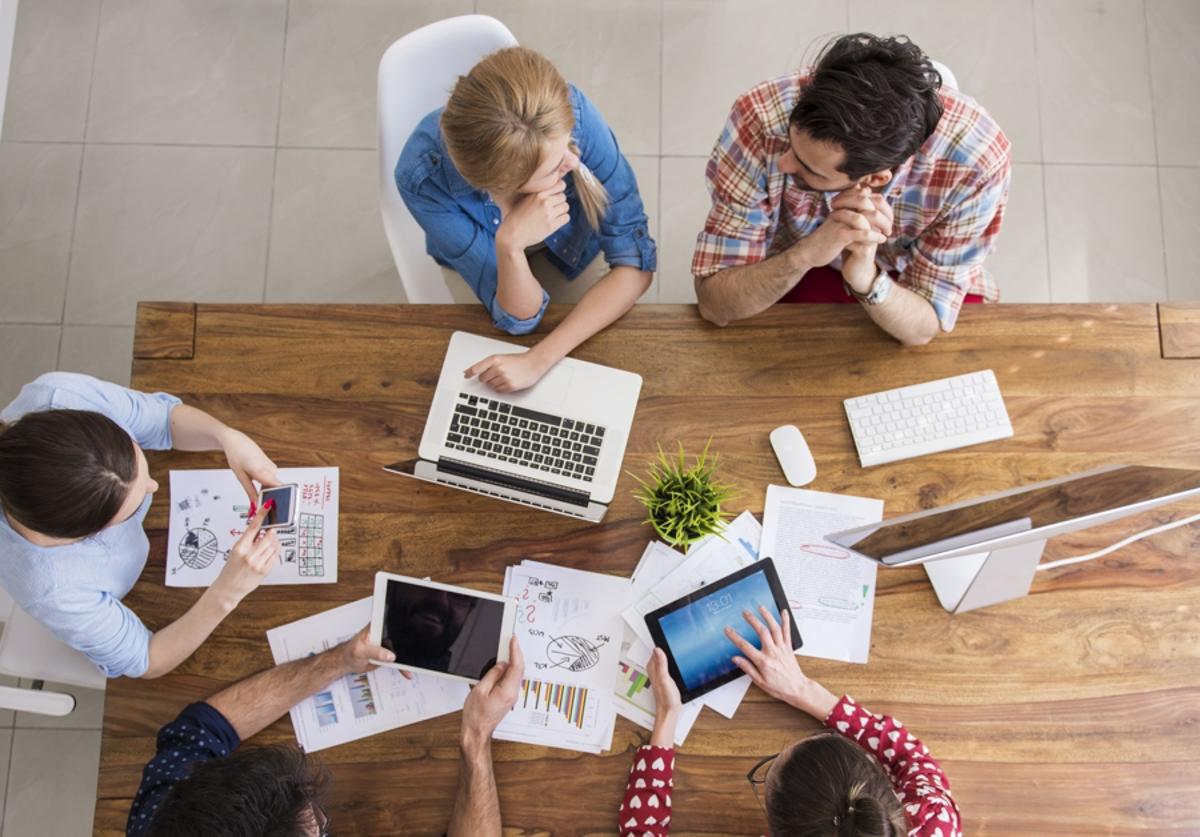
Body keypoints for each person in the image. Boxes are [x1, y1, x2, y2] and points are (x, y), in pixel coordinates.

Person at [693, 33, 1011, 346]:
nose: (784, 163)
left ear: (874, 179)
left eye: (809, 167)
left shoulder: (978, 162)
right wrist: (804, 255)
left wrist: (865, 277)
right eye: (791, 143)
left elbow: (922, 329)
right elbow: (715, 304)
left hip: (910, 272)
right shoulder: (758, 117)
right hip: (798, 259)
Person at [396, 46, 656, 393]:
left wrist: (537, 360)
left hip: (575, 246)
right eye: (552, 168)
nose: (572, 163)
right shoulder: (422, 177)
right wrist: (510, 246)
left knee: (597, 364)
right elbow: (517, 319)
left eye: (567, 146)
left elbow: (634, 265)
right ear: (502, 186)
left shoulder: (568, 113)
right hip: (493, 260)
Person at [0, 372, 283, 679]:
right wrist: (226, 592)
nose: (153, 486)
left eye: (137, 457)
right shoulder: (53, 589)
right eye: (129, 509)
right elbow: (148, 659)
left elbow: (163, 418)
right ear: (82, 537)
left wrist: (226, 437)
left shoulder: (60, 394)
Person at [128, 630, 525, 836]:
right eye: (316, 829)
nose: (321, 815)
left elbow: (198, 730)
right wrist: (476, 739)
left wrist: (338, 661)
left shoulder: (163, 817)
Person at [619, 608, 961, 836]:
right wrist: (803, 690)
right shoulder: (932, 822)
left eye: (767, 771)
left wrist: (665, 719)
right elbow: (913, 759)